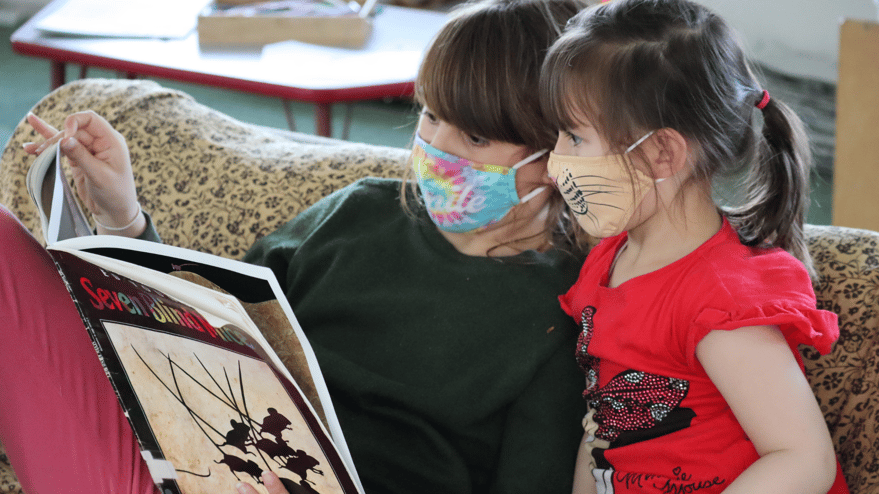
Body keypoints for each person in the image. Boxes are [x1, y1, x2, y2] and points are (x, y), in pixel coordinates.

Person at [0, 0, 595, 492]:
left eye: (475, 136)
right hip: (198, 457)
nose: (437, 148)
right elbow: (204, 322)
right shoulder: (360, 212)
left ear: (554, 157)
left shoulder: (560, 310)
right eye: (430, 117)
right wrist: (123, 217)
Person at [537, 0, 849, 492]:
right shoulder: (609, 258)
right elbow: (602, 428)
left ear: (662, 152)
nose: (555, 164)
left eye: (575, 137)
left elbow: (803, 459)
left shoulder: (721, 299)